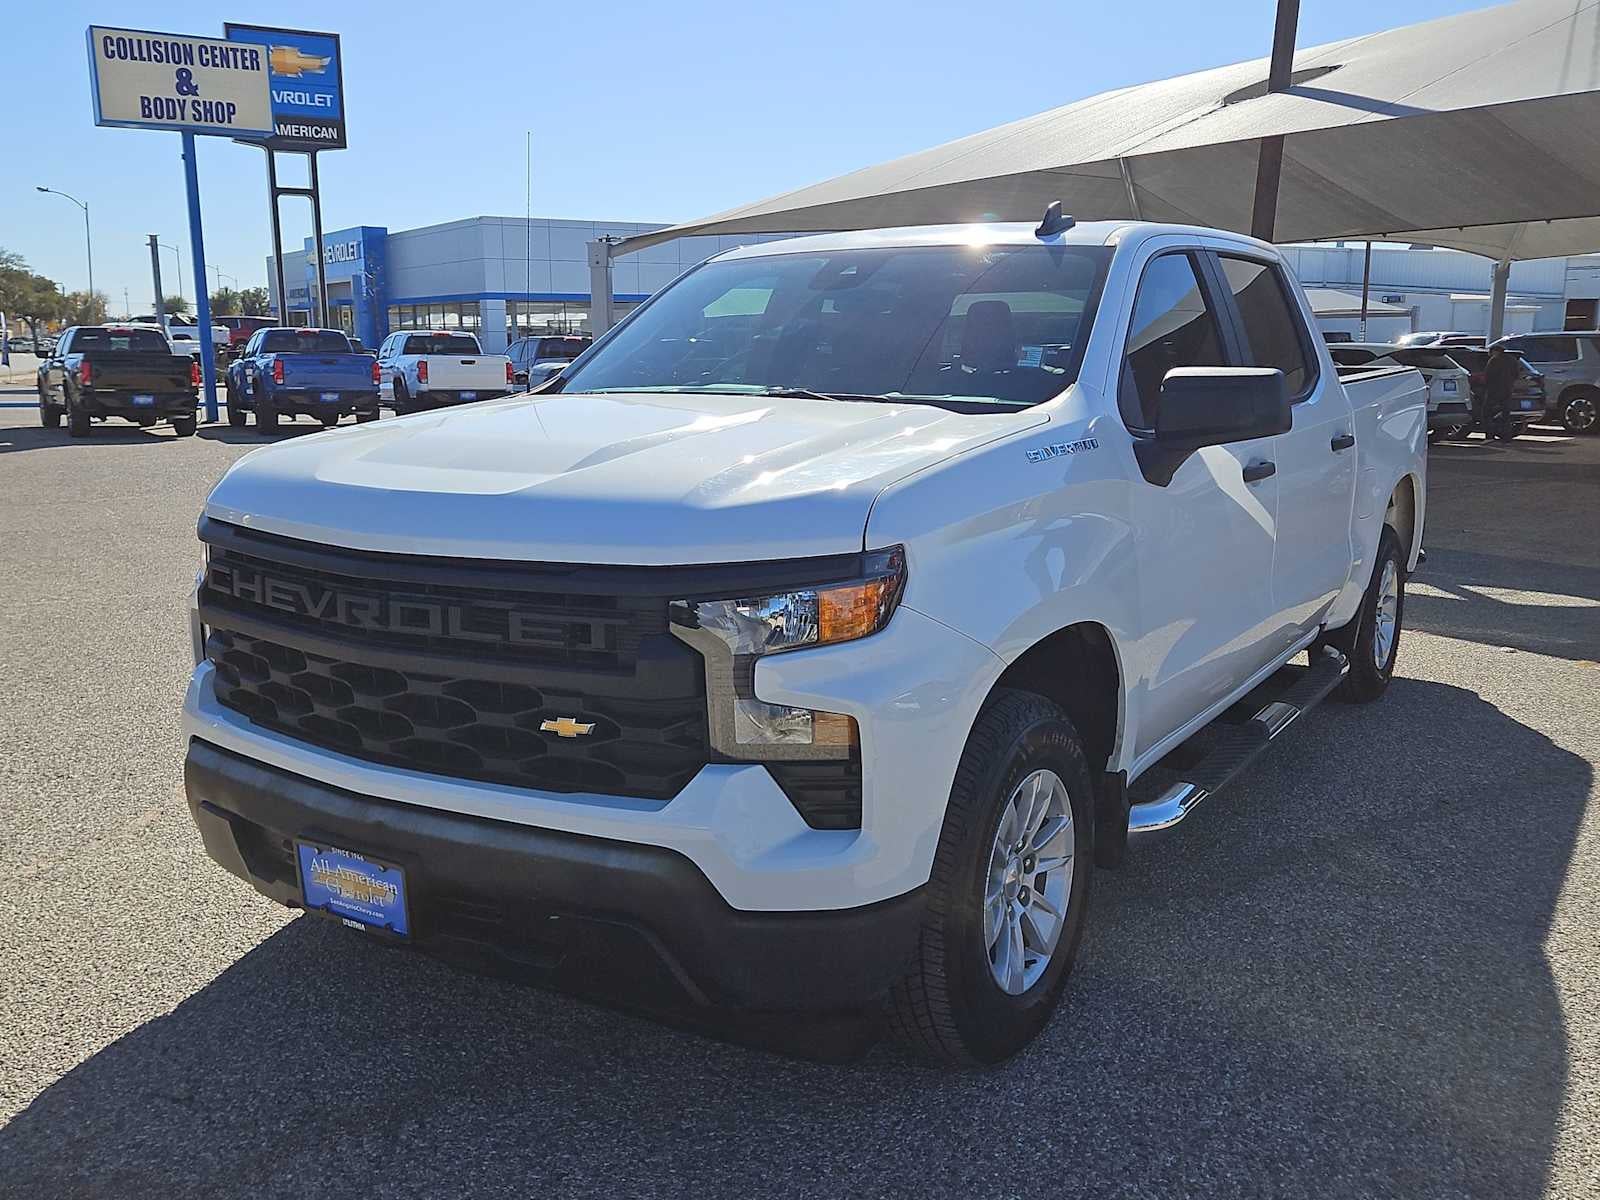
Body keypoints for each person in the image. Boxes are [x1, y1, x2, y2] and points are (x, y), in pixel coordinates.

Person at [1484, 344, 1518, 428]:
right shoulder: (1512, 360)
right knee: (1506, 414)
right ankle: (1506, 437)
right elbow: (1516, 374)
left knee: (1488, 413)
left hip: (1494, 390)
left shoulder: (1494, 360)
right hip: (1508, 390)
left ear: (1495, 351)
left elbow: (1488, 375)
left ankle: (1490, 436)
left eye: (1491, 351)